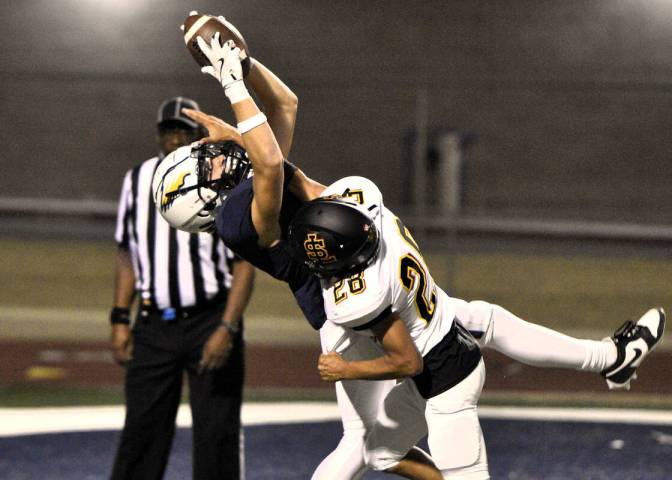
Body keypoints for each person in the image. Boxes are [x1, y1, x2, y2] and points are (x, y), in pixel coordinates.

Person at [157, 31, 665, 479]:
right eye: (204, 162)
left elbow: (285, 105)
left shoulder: (251, 184)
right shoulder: (238, 219)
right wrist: (234, 88)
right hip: (348, 313)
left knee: (471, 328)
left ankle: (610, 359)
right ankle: (608, 361)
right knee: (365, 445)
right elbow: (267, 159)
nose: (213, 152)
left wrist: (243, 63)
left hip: (371, 277)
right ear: (201, 198)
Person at [109, 96, 255, 480]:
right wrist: (120, 317)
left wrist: (227, 327)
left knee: (217, 434)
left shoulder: (225, 178)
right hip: (154, 324)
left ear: (198, 135)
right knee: (142, 430)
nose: (174, 139)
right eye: (168, 131)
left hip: (210, 319)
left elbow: (244, 264)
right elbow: (127, 253)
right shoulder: (136, 180)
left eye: (183, 131)